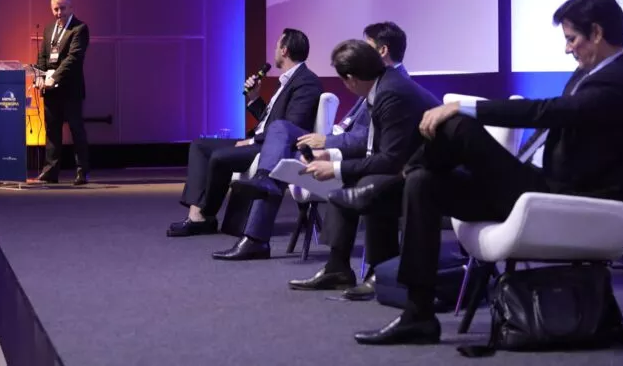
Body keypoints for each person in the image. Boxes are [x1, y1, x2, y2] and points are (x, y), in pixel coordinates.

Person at [345, 0, 623, 345]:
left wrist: (464, 106)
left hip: (566, 197)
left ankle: (389, 183)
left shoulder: (619, 81)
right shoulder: (591, 73)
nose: (568, 49)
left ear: (596, 32)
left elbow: (547, 111)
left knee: (457, 125)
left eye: (572, 39)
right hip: (541, 187)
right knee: (424, 183)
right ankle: (417, 315)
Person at [222, 22, 412, 262]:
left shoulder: (393, 86)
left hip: (356, 157)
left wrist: (327, 141)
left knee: (277, 157)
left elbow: (371, 138)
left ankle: (256, 236)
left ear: (382, 51)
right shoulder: (380, 80)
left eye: (366, 46)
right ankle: (260, 203)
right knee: (278, 138)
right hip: (338, 142)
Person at [282, 40, 439, 294]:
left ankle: (381, 271)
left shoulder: (391, 94)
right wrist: (331, 155)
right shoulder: (382, 85)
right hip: (408, 165)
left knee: (367, 185)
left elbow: (389, 160)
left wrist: (335, 168)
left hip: (431, 173)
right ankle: (337, 269)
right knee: (349, 185)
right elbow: (373, 146)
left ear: (350, 79)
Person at [167, 29, 322, 237]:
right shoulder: (286, 80)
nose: (274, 50)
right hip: (260, 140)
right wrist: (254, 98)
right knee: (199, 145)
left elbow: (291, 126)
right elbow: (270, 121)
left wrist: (252, 141)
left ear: (284, 50)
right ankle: (197, 217)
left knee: (220, 157)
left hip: (271, 147)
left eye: (277, 46)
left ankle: (204, 215)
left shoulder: (306, 82)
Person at [35, 0, 90, 186]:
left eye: (63, 8)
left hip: (70, 89)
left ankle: (82, 172)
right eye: (56, 9)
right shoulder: (49, 29)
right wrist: (40, 76)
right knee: (52, 130)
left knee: (76, 130)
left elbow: (73, 58)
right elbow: (43, 57)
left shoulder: (80, 28)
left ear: (71, 7)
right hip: (51, 90)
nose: (59, 13)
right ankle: (50, 171)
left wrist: (54, 77)